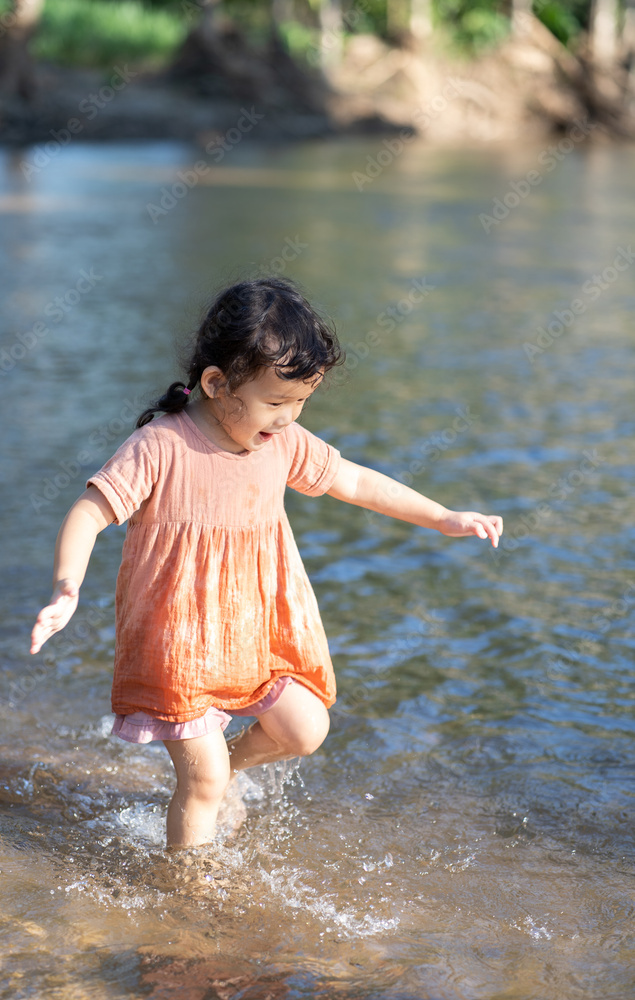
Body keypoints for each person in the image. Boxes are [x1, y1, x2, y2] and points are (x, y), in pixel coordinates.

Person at [30, 276, 503, 851]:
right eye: (277, 402)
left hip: (254, 630)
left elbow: (353, 480)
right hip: (176, 638)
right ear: (216, 383)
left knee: (305, 728)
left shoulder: (282, 442)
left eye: (301, 402)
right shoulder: (162, 446)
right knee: (200, 781)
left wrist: (443, 517)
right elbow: (88, 512)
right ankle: (184, 897)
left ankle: (225, 769)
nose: (288, 417)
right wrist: (66, 588)